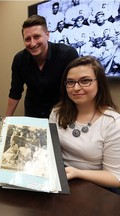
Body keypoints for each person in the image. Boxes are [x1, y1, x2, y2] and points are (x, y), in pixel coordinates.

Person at [49, 56, 120, 193]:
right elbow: (50, 149)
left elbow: (116, 177)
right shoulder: (57, 112)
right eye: (70, 82)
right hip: (62, 178)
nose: (76, 88)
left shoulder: (113, 123)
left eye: (85, 81)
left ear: (99, 83)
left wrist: (78, 173)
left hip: (98, 188)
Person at [6, 15, 78, 118]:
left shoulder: (67, 54)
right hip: (33, 114)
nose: (32, 43)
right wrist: (5, 121)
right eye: (27, 39)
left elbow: (77, 87)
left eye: (36, 37)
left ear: (47, 35)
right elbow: (15, 92)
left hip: (62, 114)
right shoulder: (19, 59)